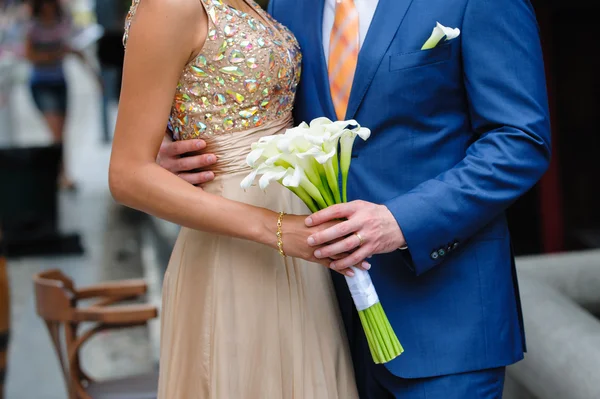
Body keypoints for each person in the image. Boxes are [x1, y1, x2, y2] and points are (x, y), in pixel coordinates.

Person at [159, 0, 552, 397]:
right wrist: (173, 140)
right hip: (321, 321)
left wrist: (401, 221)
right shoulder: (288, 6)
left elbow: (520, 141)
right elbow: (261, 105)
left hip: (448, 318)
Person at [109, 0, 360, 397]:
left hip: (295, 228)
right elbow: (127, 175)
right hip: (236, 238)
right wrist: (278, 230)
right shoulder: (169, 6)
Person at [24, 0, 95, 190]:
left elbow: (74, 49)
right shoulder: (33, 27)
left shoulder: (62, 23)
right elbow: (30, 56)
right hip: (42, 83)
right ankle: (61, 175)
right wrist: (55, 54)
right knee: (56, 134)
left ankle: (60, 173)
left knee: (61, 134)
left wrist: (94, 76)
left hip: (59, 82)